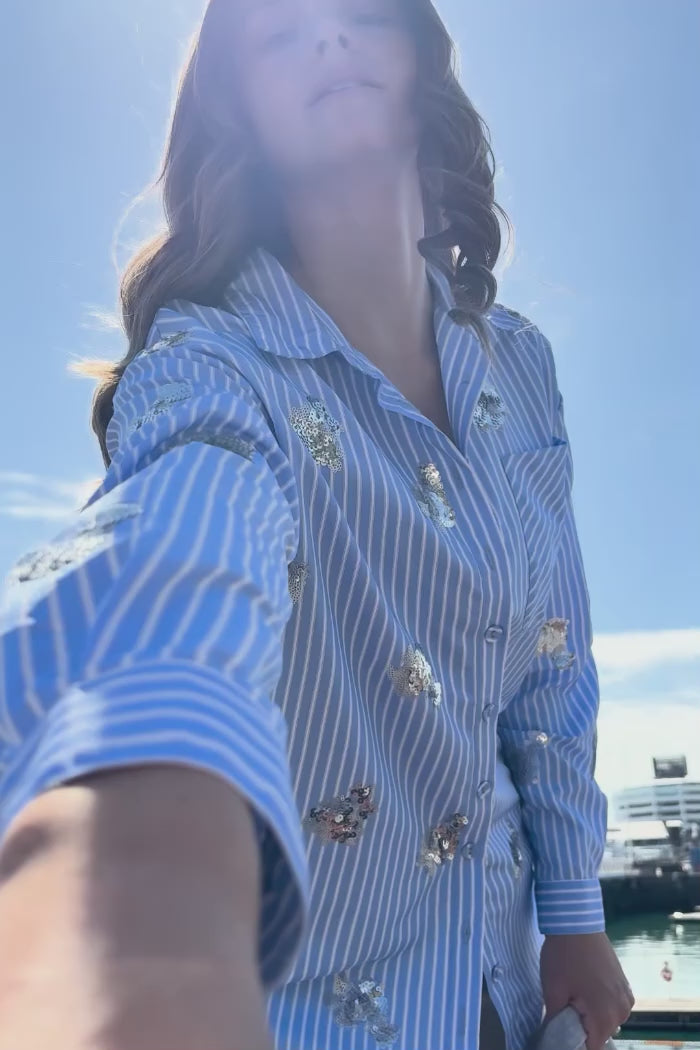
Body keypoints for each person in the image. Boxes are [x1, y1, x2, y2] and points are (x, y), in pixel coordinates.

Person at [0, 1, 635, 1049]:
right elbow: (179, 538)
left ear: (421, 59)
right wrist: (128, 839)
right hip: (309, 1011)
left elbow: (551, 665)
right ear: (238, 110)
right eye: (280, 34)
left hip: (513, 984)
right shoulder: (207, 364)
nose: (328, 38)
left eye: (360, 14)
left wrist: (575, 913)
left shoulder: (519, 363)